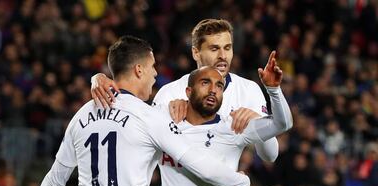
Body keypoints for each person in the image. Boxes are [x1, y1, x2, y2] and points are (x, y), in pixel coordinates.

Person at [26, 36, 252, 186]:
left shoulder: (81, 115)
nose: (155, 75)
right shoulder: (148, 117)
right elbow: (200, 164)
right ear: (138, 69)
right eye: (153, 67)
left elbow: (55, 180)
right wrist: (241, 181)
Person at [91, 18, 279, 164]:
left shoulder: (248, 91)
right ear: (195, 53)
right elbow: (145, 149)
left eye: (227, 48)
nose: (223, 56)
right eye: (214, 49)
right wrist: (99, 78)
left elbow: (270, 156)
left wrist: (258, 123)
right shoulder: (170, 93)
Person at [154, 60, 292, 186]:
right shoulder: (164, 123)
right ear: (188, 92)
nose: (213, 90)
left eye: (219, 86)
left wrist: (274, 90)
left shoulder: (234, 126)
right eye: (205, 83)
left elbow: (283, 124)